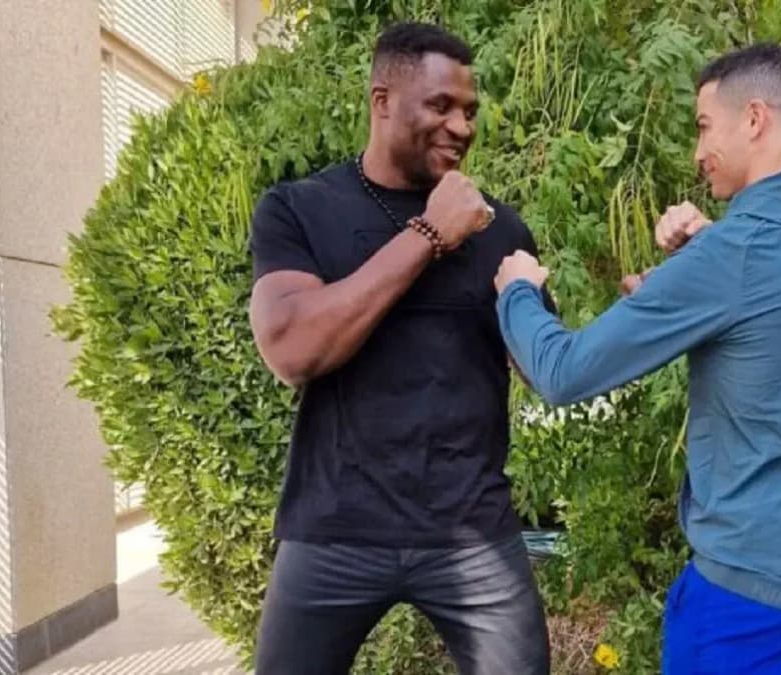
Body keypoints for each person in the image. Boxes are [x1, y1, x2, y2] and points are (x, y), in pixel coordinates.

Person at [494, 43, 781, 674]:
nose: (697, 153)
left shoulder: (735, 257)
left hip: (747, 600)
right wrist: (702, 258)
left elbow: (564, 372)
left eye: (703, 127)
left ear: (754, 119)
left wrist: (519, 293)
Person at [247, 22, 551, 675]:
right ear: (382, 101)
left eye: (469, 111)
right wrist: (429, 236)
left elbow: (546, 368)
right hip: (333, 529)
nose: (462, 127)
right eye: (440, 106)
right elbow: (293, 350)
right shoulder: (299, 209)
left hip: (472, 532)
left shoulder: (499, 227)